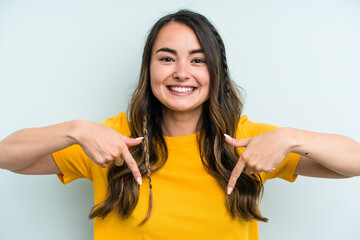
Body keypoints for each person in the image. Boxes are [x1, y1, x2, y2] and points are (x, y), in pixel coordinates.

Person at [0, 9, 359, 240]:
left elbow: (353, 163)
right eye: (166, 58)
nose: (181, 73)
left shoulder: (246, 139)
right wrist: (74, 129)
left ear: (215, 71)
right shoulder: (111, 139)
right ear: (149, 69)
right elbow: (7, 156)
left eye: (197, 59)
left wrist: (292, 139)